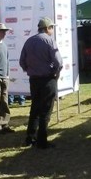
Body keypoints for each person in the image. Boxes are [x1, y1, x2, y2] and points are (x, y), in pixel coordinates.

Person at [19, 16, 63, 149]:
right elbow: (59, 62)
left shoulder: (29, 41)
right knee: (46, 110)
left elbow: (22, 62)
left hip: (34, 79)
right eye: (52, 28)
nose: (52, 31)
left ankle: (30, 137)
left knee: (35, 108)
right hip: (47, 79)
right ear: (47, 28)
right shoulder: (49, 41)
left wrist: (30, 69)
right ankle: (42, 141)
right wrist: (56, 72)